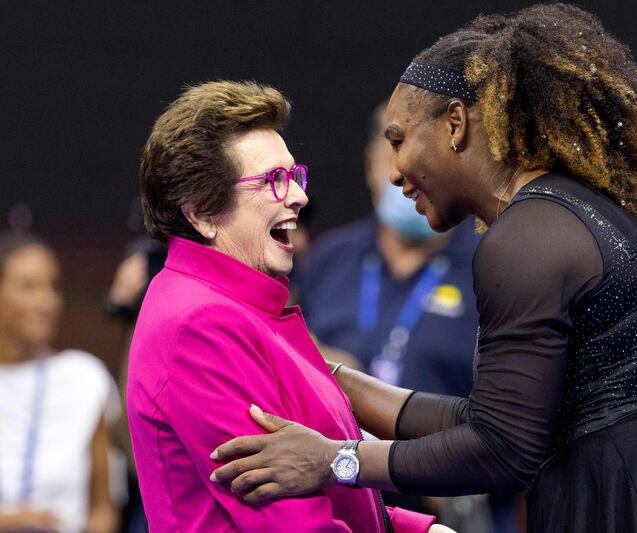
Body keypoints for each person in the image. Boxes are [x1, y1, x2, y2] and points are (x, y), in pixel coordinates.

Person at [209, 5, 637, 532]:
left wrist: (336, 461)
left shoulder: (525, 241)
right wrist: (328, 380)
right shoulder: (566, 212)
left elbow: (502, 450)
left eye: (400, 139)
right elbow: (492, 417)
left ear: (456, 125)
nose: (393, 172)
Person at [127, 80, 446, 532]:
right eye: (274, 180)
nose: (298, 195)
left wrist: (417, 529)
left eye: (295, 176)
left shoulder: (240, 308)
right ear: (200, 211)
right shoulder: (199, 325)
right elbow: (291, 523)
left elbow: (322, 491)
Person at [296, 103, 497, 529]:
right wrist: (321, 363)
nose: (406, 171)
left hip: (454, 511)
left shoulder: (493, 263)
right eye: (396, 147)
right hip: (339, 509)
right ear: (373, 162)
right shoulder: (327, 258)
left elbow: (521, 420)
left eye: (424, 152)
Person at [0, 233, 121, 533]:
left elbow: (103, 507)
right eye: (29, 287)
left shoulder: (84, 379)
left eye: (53, 287)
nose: (46, 302)